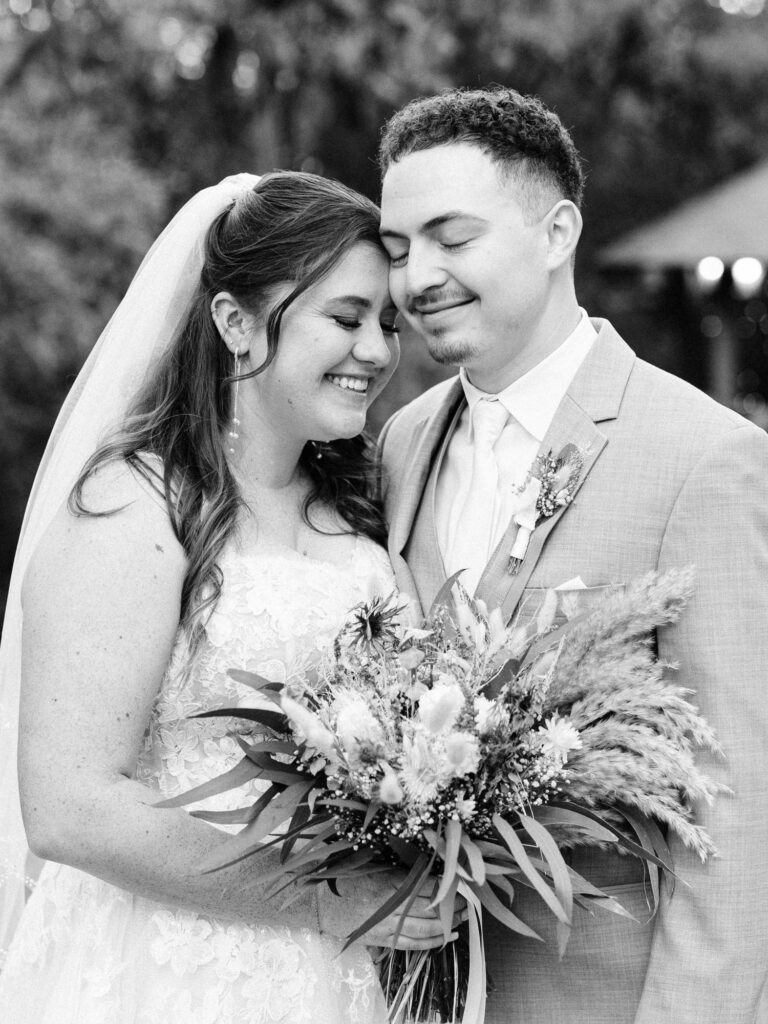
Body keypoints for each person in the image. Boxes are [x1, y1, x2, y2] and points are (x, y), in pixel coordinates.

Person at [0, 171, 453, 1023]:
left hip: (347, 976)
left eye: (385, 324)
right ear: (235, 322)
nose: (377, 351)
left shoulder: (362, 510)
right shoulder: (135, 506)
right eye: (346, 318)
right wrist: (321, 898)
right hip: (166, 967)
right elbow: (66, 806)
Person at [377, 86, 768, 1024]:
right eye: (396, 249)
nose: (415, 276)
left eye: (450, 237)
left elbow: (739, 814)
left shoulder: (704, 458)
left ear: (556, 233)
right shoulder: (398, 441)